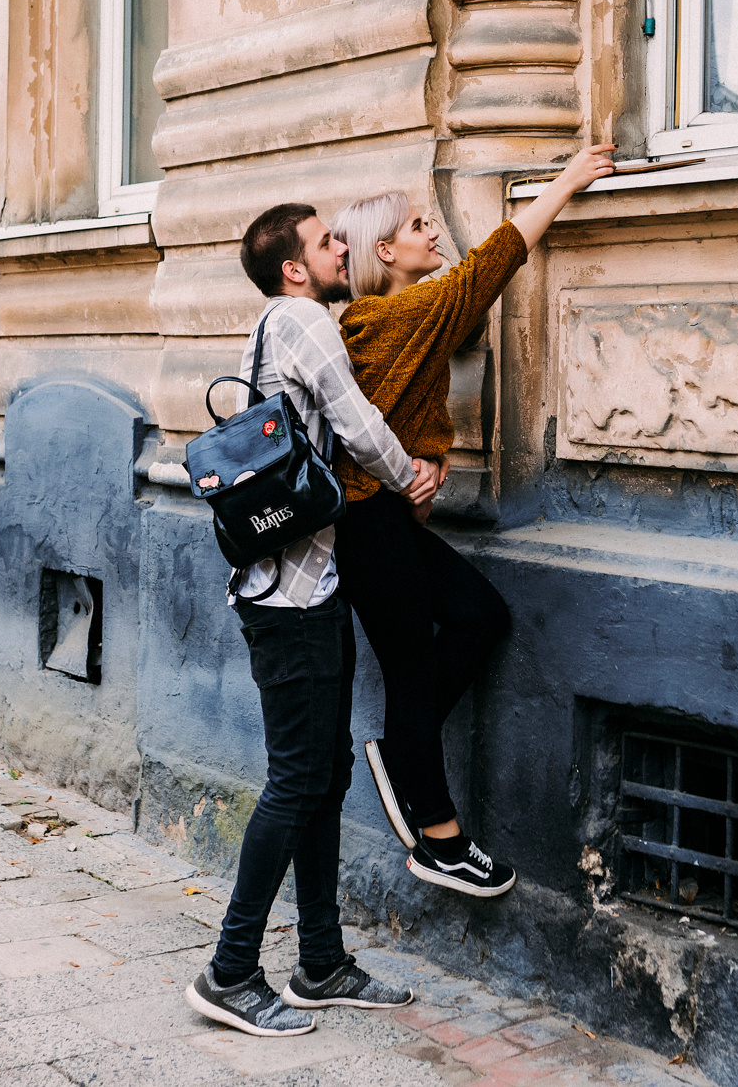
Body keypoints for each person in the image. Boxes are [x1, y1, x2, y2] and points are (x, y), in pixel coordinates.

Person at [185, 203, 445, 1037]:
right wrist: (410, 477)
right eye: (328, 241)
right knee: (298, 779)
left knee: (325, 773)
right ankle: (229, 972)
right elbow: (357, 423)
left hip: (308, 585)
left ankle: (322, 962)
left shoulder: (277, 326)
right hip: (290, 601)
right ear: (295, 267)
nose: (342, 249)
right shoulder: (303, 320)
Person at [330, 144, 617, 897]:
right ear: (385, 252)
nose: (434, 231)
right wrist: (567, 180)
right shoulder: (404, 313)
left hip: (385, 517)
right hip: (368, 521)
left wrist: (426, 463)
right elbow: (496, 258)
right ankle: (440, 838)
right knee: (412, 670)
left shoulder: (387, 318)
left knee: (478, 615)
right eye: (418, 226)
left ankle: (401, 757)